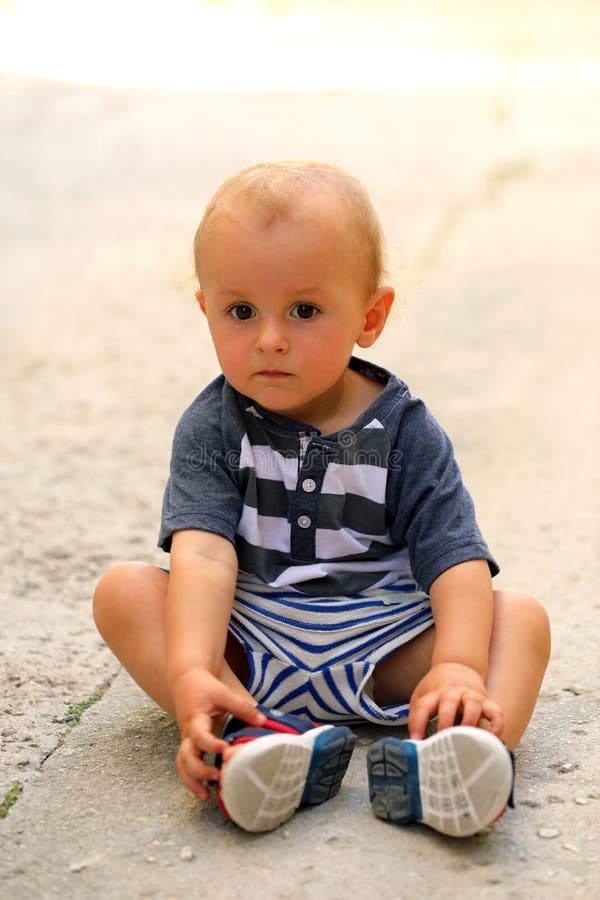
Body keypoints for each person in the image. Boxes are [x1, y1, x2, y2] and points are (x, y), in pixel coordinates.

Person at [93, 161, 550, 838]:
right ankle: (246, 738)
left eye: (304, 311)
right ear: (206, 311)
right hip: (251, 644)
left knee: (520, 623)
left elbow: (455, 559)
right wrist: (193, 668)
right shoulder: (214, 427)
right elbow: (205, 556)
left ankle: (456, 757)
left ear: (370, 317)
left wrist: (454, 664)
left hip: (386, 647)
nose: (270, 338)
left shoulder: (404, 431)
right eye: (241, 311)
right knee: (123, 592)